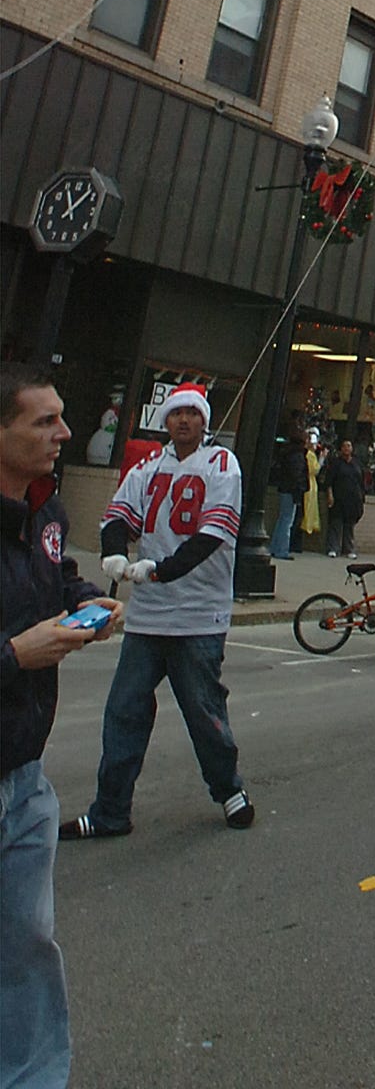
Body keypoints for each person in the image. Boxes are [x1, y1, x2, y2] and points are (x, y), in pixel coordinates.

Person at [59, 385, 254, 841]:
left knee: (203, 712)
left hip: (197, 616)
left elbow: (213, 535)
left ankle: (228, 789)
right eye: (175, 413)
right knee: (124, 711)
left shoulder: (223, 465)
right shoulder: (148, 467)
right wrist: (112, 554)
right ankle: (110, 812)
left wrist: (161, 571)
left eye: (192, 413)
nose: (183, 420)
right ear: (164, 421)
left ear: (205, 421)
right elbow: (117, 517)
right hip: (147, 617)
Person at [2, 366, 122, 1089]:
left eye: (62, 417)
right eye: (45, 421)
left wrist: (89, 602)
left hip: (25, 782)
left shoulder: (45, 514)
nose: (66, 434)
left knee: (26, 948)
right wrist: (17, 654)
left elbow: (58, 581)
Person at [269, 428, 307, 561]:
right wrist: (300, 489)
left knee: (282, 519)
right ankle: (282, 550)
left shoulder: (287, 453)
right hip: (292, 490)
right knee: (287, 521)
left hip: (285, 488)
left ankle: (275, 547)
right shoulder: (298, 455)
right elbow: (297, 475)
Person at [321, 440, 365, 557]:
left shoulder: (357, 463)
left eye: (349, 446)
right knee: (336, 523)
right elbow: (329, 481)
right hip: (339, 498)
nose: (347, 448)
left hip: (353, 499)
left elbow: (361, 482)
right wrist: (330, 495)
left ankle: (348, 549)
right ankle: (333, 548)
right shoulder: (336, 463)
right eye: (344, 446)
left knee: (349, 525)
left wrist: (361, 498)